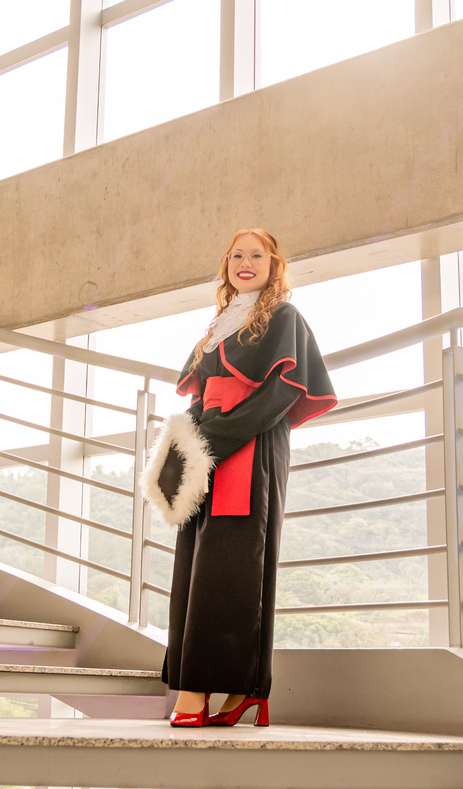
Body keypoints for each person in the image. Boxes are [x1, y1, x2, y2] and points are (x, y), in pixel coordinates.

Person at [141, 228, 337, 727]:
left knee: (229, 569)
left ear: (274, 265)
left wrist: (215, 438)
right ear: (226, 266)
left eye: (256, 255)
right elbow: (202, 394)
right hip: (209, 447)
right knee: (195, 566)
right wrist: (186, 441)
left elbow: (282, 392)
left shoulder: (284, 317)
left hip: (250, 447)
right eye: (235, 256)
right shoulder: (221, 323)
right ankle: (238, 692)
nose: (245, 262)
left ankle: (201, 693)